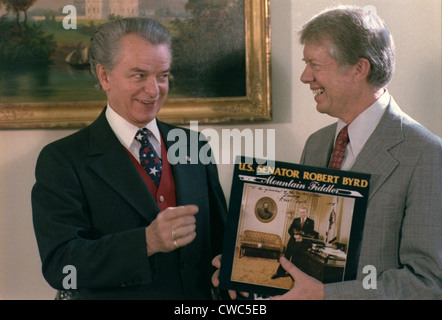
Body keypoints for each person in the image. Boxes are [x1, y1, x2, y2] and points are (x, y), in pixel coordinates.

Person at [213, 5, 441, 300]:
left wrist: (327, 296)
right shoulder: (318, 143)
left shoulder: (426, 155)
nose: (305, 77)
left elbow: (427, 282)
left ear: (359, 69)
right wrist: (244, 273)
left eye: (315, 65)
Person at [32, 18, 227, 300]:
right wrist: (146, 242)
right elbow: (62, 267)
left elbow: (219, 239)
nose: (154, 90)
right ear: (104, 76)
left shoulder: (193, 144)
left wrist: (230, 267)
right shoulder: (62, 160)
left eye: (163, 75)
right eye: (139, 75)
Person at [271, 207, 315, 279]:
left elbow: (310, 234)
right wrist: (294, 235)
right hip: (292, 242)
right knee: (286, 257)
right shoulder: (295, 220)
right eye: (301, 212)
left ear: (306, 212)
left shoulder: (311, 222)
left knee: (296, 259)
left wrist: (302, 239)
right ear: (299, 213)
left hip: (301, 243)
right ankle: (279, 273)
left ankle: (293, 275)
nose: (302, 214)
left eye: (303, 212)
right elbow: (290, 230)